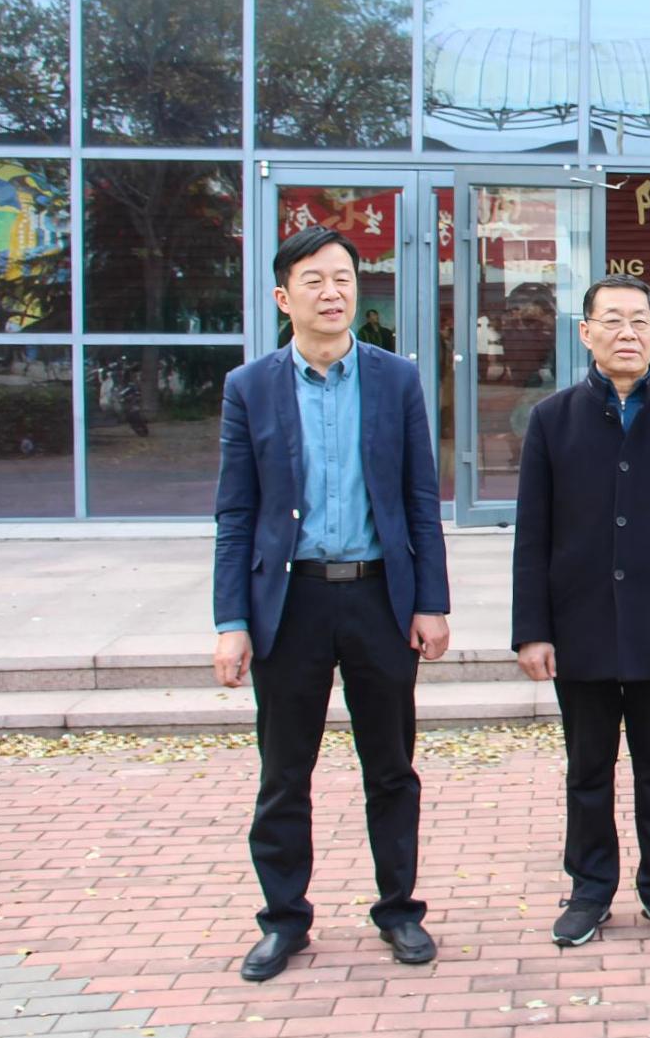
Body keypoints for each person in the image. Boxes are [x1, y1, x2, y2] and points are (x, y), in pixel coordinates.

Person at [211, 226, 451, 983]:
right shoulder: (250, 386)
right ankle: (284, 920)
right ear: (283, 297)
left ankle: (400, 910)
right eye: (313, 280)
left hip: (380, 597)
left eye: (343, 277)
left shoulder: (395, 379)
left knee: (392, 767)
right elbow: (235, 513)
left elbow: (419, 498)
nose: (332, 291)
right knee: (285, 772)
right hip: (291, 604)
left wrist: (431, 601)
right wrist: (231, 620)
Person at [512, 272, 650, 947]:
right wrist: (532, 631)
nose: (625, 332)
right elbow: (532, 535)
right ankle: (590, 889)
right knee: (587, 769)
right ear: (586, 333)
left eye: (638, 320)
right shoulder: (552, 420)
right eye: (611, 320)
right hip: (580, 626)